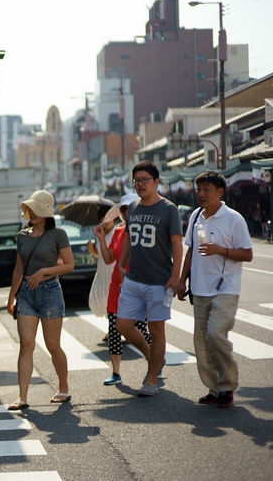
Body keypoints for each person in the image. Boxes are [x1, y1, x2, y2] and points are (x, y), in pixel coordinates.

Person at [177, 171, 253, 408]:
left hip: (225, 288)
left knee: (215, 335)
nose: (200, 193)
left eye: (206, 189)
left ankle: (228, 385)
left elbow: (247, 254)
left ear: (220, 192)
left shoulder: (234, 219)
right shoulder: (196, 215)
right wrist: (181, 280)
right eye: (198, 188)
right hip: (199, 288)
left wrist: (220, 250)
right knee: (201, 342)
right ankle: (214, 387)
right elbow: (190, 250)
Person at [117, 160, 183, 397]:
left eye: (145, 180)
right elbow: (127, 238)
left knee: (156, 330)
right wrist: (120, 265)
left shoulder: (168, 209)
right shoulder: (133, 207)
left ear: (156, 181)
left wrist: (175, 276)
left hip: (159, 280)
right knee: (123, 325)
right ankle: (152, 356)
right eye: (136, 180)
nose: (140, 184)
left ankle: (151, 379)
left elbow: (177, 243)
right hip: (134, 278)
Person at [6, 190, 74, 410]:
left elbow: (69, 265)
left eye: (37, 209)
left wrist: (44, 271)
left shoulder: (58, 235)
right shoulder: (22, 235)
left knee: (53, 345)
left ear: (47, 213)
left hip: (50, 292)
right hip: (26, 293)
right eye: (30, 209)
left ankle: (63, 387)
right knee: (26, 345)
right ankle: (22, 397)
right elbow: (18, 268)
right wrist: (11, 297)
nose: (32, 213)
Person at [93, 193, 153, 385]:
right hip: (116, 287)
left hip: (137, 286)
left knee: (140, 329)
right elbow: (109, 259)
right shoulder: (118, 231)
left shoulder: (144, 230)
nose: (127, 213)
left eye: (131, 208)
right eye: (124, 209)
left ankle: (153, 363)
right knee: (114, 328)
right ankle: (116, 372)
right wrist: (101, 239)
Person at [86, 206, 115, 319]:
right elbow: (98, 254)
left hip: (112, 271)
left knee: (111, 300)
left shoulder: (117, 232)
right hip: (102, 271)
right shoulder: (99, 233)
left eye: (109, 219)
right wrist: (91, 249)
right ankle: (112, 327)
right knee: (100, 298)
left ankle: (113, 329)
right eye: (104, 219)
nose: (107, 222)